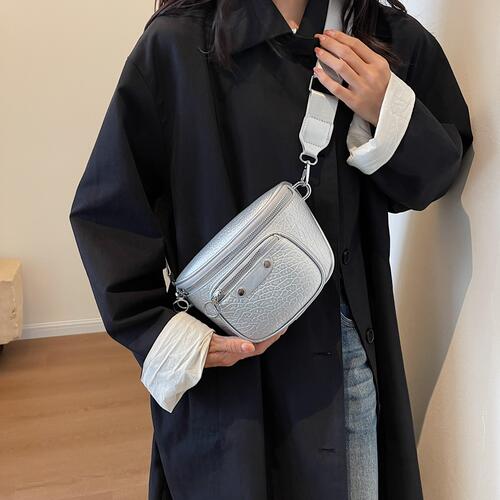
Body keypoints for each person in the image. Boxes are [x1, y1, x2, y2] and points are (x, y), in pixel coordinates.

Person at [69, 0, 473, 498]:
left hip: (341, 368)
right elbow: (110, 211)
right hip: (225, 369)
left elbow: (434, 175)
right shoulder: (177, 44)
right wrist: (164, 335)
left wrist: (385, 107)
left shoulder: (382, 38)